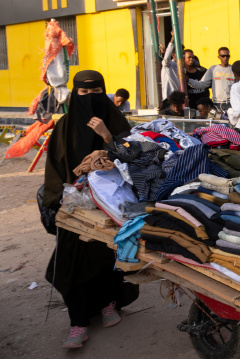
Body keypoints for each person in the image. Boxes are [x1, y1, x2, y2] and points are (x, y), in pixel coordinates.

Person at [42, 70, 138, 349]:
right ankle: (78, 322)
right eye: (83, 94)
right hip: (74, 206)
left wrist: (107, 136)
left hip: (110, 205)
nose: (90, 98)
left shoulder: (117, 122)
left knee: (106, 255)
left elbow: (135, 158)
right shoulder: (64, 127)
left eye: (96, 92)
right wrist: (60, 199)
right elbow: (54, 169)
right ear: (75, 94)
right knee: (72, 258)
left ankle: (109, 304)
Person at [188, 47, 235, 111]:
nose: (225, 58)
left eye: (227, 56)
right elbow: (202, 84)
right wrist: (188, 80)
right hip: (216, 104)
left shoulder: (234, 69)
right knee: (216, 121)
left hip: (231, 104)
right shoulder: (213, 69)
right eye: (223, 56)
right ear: (219, 57)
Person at [161, 32, 180, 101]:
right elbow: (166, 58)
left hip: (179, 98)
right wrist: (172, 39)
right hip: (168, 97)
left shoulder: (182, 67)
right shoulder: (168, 65)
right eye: (181, 53)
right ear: (173, 54)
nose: (182, 56)